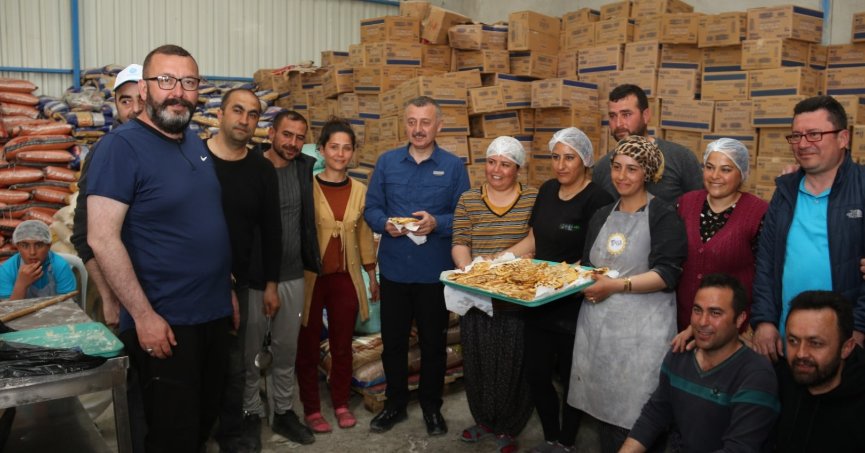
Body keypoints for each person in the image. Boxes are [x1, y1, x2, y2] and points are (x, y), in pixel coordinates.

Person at [86, 44, 234, 451]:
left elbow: (206, 225)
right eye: (166, 80)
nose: (178, 92)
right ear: (146, 87)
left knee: (204, 419)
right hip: (165, 323)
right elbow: (101, 237)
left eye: (188, 82)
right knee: (171, 434)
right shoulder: (121, 148)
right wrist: (143, 315)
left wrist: (228, 292)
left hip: (212, 313)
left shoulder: (194, 144)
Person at [568, 135, 687, 453]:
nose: (621, 176)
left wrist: (615, 286)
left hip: (641, 335)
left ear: (647, 173)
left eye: (631, 169)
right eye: (617, 167)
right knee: (607, 412)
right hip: (601, 330)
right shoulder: (602, 214)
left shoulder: (663, 216)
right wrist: (562, 274)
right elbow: (590, 264)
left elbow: (667, 274)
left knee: (638, 416)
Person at [364, 96, 470, 435]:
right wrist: (386, 224)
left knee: (433, 345)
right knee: (393, 344)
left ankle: (431, 407)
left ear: (438, 126)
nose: (418, 129)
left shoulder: (454, 166)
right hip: (395, 272)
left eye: (425, 122)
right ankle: (395, 404)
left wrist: (437, 223)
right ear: (405, 124)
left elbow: (464, 217)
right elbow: (372, 209)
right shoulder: (386, 163)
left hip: (433, 274)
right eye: (412, 122)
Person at [504, 128, 613, 453]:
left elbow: (600, 255)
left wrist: (567, 279)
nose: (561, 165)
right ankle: (550, 434)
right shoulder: (548, 190)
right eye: (556, 157)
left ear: (585, 161)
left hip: (575, 303)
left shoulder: (599, 199)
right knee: (537, 374)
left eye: (570, 157)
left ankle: (567, 441)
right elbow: (535, 238)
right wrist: (500, 260)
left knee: (571, 377)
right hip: (539, 300)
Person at [751, 95, 865, 362]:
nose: (803, 144)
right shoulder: (785, 192)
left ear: (843, 138)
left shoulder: (861, 189)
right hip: (785, 341)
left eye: (814, 134)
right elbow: (766, 263)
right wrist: (765, 320)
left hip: (844, 344)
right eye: (796, 136)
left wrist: (859, 328)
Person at [620, 274, 779, 453]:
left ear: (740, 319)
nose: (702, 322)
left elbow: (739, 448)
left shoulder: (756, 375)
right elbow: (654, 415)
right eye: (697, 310)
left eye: (715, 313)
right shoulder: (679, 355)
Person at [206, 88, 282, 453]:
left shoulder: (261, 170)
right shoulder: (194, 158)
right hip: (188, 281)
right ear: (219, 114)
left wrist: (270, 284)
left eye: (252, 114)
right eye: (237, 110)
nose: (244, 119)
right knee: (192, 362)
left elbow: (272, 230)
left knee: (234, 365)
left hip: (235, 285)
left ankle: (231, 435)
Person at [451, 136, 538, 453]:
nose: (496, 170)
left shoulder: (533, 198)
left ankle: (510, 426)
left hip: (516, 299)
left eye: (505, 164)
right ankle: (484, 420)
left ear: (518, 168)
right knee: (478, 360)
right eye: (491, 161)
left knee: (513, 362)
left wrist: (500, 262)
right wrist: (469, 271)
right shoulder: (468, 200)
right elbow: (460, 241)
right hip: (477, 298)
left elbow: (535, 238)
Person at [242, 109, 320, 445]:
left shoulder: (304, 168)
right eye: (287, 135)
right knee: (249, 353)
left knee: (286, 351)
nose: (292, 143)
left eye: (300, 137)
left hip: (292, 275)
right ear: (271, 133)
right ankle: (249, 414)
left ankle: (284, 413)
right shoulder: (249, 168)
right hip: (253, 277)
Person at [295, 119, 379, 433]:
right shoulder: (308, 187)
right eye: (334, 147)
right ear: (321, 150)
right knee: (307, 342)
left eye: (346, 148)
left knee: (343, 345)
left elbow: (363, 236)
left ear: (353, 152)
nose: (340, 154)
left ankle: (341, 402)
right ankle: (312, 408)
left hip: (346, 278)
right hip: (312, 278)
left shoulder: (359, 190)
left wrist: (371, 276)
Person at [672, 138, 768, 348]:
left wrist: (754, 325)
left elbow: (766, 274)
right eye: (709, 167)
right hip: (683, 323)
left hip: (733, 330)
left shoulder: (758, 212)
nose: (715, 176)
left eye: (726, 169)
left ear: (741, 174)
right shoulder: (685, 203)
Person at [71, 63, 144, 328]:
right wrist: (109, 296)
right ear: (115, 104)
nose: (135, 109)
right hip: (121, 294)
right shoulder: (104, 155)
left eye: (142, 100)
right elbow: (83, 234)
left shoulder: (172, 151)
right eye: (126, 100)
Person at [775, 290, 865, 452]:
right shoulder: (777, 382)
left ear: (846, 348)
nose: (801, 353)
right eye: (793, 341)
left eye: (815, 343)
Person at [592, 84, 702, 203]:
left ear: (645, 115)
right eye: (612, 116)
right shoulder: (602, 168)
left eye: (626, 115)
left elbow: (699, 207)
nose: (618, 124)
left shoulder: (680, 158)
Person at [0, 220, 76, 300]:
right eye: (25, 246)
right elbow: (8, 310)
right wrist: (21, 285)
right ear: (18, 247)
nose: (32, 252)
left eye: (39, 245)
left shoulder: (60, 266)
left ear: (48, 246)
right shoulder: (6, 270)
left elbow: (69, 305)